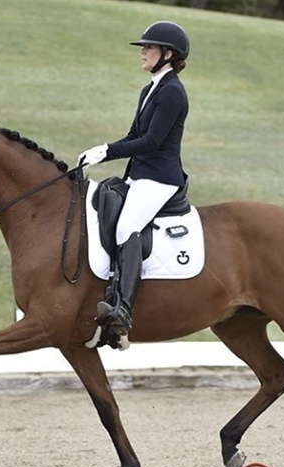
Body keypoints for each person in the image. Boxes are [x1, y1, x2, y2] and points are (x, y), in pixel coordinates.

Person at [78, 20, 190, 339]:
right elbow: (134, 135)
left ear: (169, 54)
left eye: (149, 48)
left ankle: (123, 310)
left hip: (160, 178)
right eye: (144, 47)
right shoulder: (150, 89)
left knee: (128, 226)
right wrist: (101, 151)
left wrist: (107, 151)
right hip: (140, 175)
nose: (143, 52)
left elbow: (152, 142)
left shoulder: (172, 93)